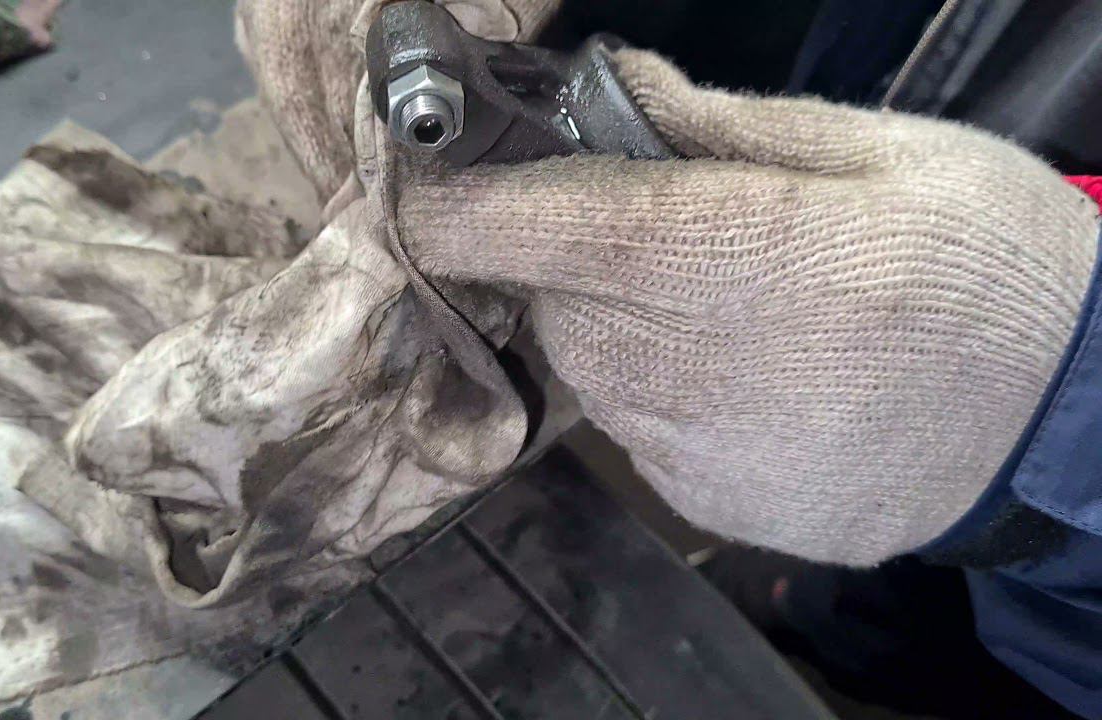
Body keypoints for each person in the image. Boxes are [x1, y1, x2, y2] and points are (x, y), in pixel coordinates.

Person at [241, 1, 1102, 717]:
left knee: (908, 638)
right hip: (881, 78)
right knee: (811, 601)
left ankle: (842, 636)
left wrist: (1062, 416)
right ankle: (804, 614)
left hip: (1041, 553)